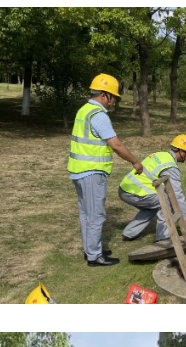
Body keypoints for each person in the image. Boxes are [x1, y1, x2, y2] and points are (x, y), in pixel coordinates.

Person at [68, 74, 145, 267]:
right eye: (113, 97)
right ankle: (95, 256)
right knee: (96, 215)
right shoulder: (99, 115)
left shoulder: (84, 110)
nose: (113, 102)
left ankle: (90, 249)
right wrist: (135, 161)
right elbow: (116, 145)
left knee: (86, 213)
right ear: (104, 95)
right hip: (92, 172)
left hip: (79, 171)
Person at [119, 135, 186, 242]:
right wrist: (185, 219)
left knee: (152, 206)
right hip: (136, 192)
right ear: (182, 151)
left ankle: (129, 233)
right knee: (165, 203)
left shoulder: (160, 155)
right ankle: (163, 238)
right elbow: (177, 194)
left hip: (124, 188)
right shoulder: (171, 167)